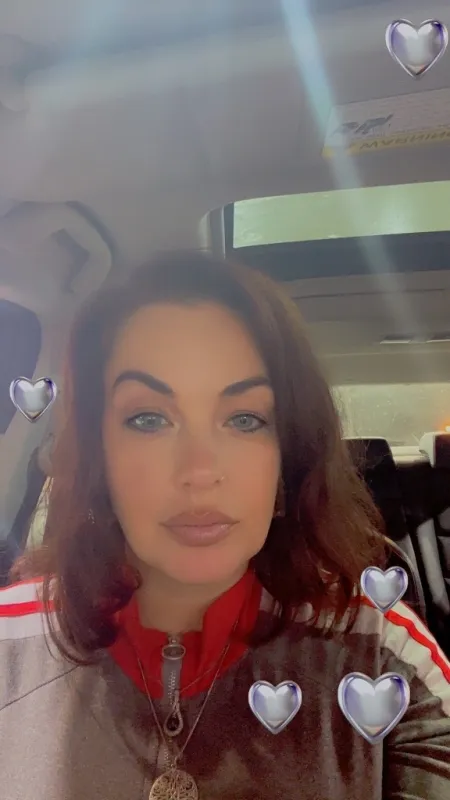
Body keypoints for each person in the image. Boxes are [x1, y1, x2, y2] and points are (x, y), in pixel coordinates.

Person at [0, 251, 449, 800]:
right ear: (98, 455)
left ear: (287, 454)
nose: (200, 471)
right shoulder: (9, 646)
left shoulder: (383, 653)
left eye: (244, 419)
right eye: (148, 418)